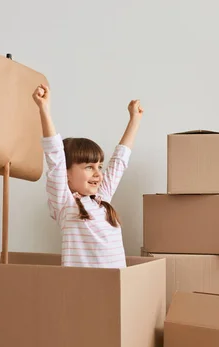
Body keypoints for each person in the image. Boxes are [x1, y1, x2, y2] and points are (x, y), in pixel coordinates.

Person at [32, 84, 143, 268]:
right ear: (66, 174)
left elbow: (119, 162)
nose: (98, 174)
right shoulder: (64, 203)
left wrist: (135, 120)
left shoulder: (102, 198)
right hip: (85, 287)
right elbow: (55, 156)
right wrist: (44, 109)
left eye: (99, 166)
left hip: (115, 286)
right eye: (89, 167)